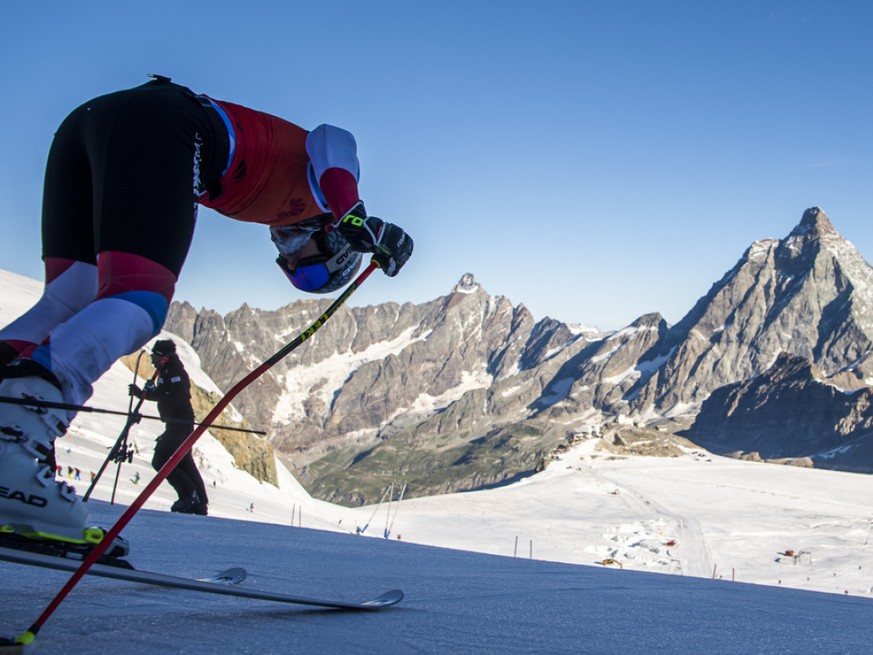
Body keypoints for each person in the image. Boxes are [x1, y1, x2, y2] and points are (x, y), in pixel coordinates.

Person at [0, 75, 413, 546]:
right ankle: (13, 448)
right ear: (336, 240)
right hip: (167, 125)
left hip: (89, 125)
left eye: (295, 272)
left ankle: (9, 453)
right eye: (308, 267)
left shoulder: (273, 205)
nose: (289, 260)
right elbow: (333, 137)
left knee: (66, 302)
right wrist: (351, 211)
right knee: (139, 301)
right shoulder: (325, 192)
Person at [129, 339, 208, 515]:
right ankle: (199, 502)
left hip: (180, 423)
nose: (151, 360)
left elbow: (179, 396)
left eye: (153, 356)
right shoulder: (167, 370)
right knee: (184, 461)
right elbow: (166, 395)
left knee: (161, 459)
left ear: (161, 356)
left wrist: (155, 392)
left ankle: (189, 495)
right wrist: (144, 393)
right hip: (177, 423)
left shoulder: (174, 370)